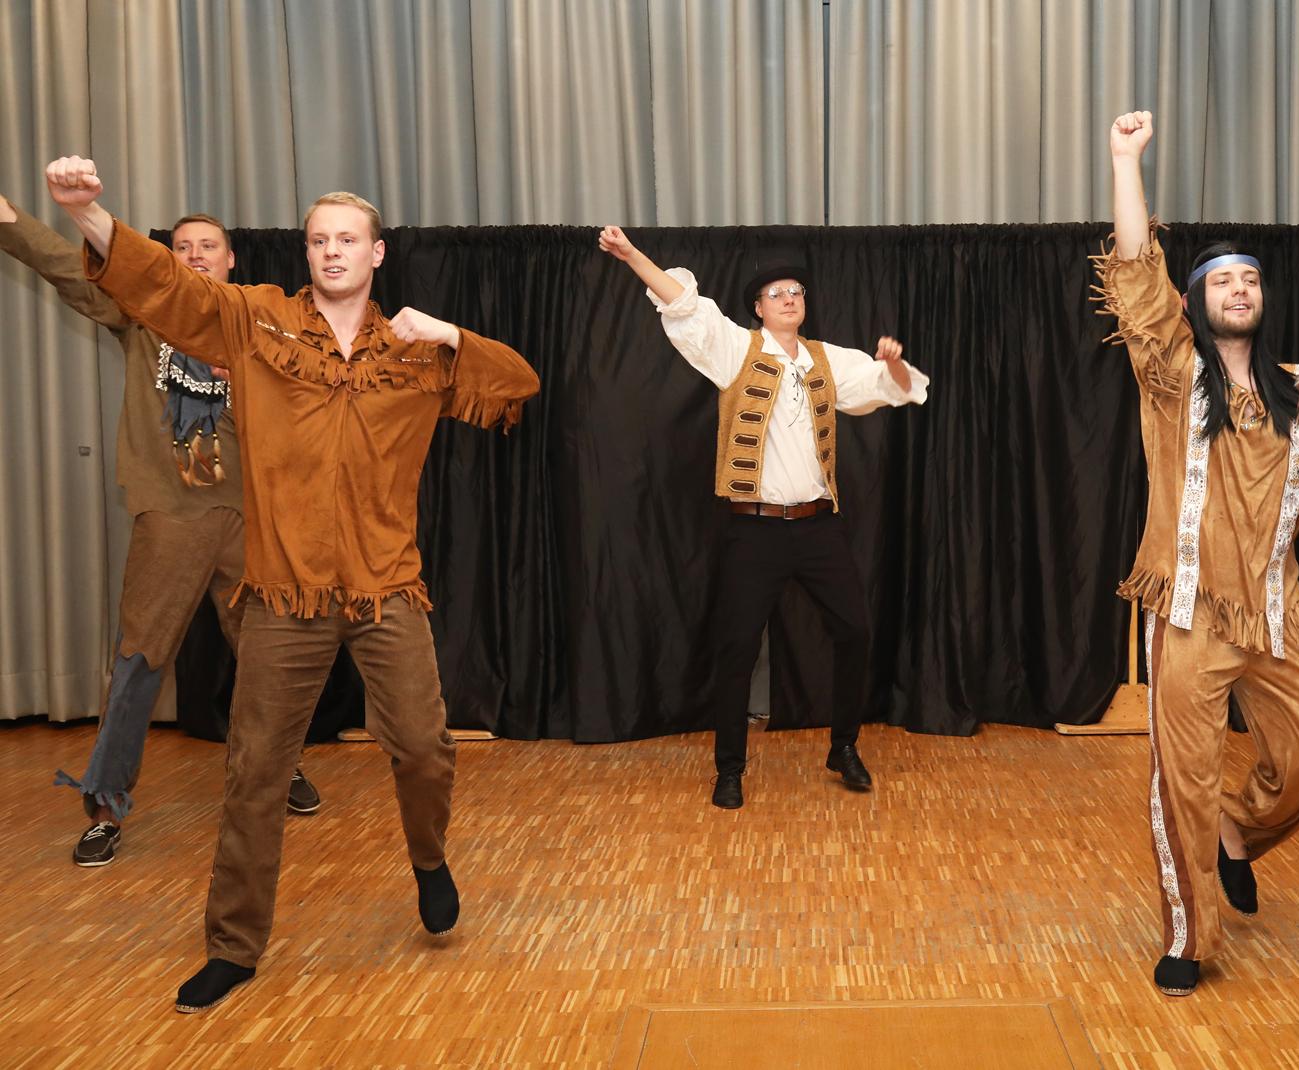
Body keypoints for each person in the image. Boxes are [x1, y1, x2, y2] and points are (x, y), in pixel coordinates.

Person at [46, 154, 540, 1013]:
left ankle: (429, 859)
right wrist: (89, 213)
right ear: (306, 251)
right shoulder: (256, 324)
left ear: (376, 253)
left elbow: (518, 384)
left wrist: (454, 337)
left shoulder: (414, 351)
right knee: (254, 772)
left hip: (386, 589)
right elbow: (166, 287)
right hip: (283, 593)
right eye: (318, 240)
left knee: (424, 749)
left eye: (347, 239)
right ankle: (232, 947)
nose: (332, 251)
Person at [1098, 112, 1299, 996]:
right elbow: (1135, 271)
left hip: (1276, 612)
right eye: (1221, 280)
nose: (1238, 289)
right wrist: (1124, 160)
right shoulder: (1173, 377)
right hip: (1190, 612)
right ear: (1196, 302)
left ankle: (1240, 832)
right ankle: (1191, 937)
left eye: (1249, 279)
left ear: (1263, 300)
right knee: (1183, 780)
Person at [1, 194, 322, 868]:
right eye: (182, 247)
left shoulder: (260, 322)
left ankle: (277, 765)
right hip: (173, 515)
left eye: (208, 246)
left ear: (232, 260)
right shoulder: (142, 312)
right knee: (139, 661)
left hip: (253, 518)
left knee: (269, 656)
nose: (195, 255)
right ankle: (105, 805)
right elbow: (69, 268)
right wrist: (10, 221)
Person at [598, 224, 929, 810]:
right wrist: (630, 256)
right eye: (776, 293)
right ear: (758, 307)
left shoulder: (828, 360)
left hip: (818, 525)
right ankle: (729, 768)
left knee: (854, 631)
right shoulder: (735, 349)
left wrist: (895, 364)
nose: (789, 298)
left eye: (796, 291)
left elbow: (891, 389)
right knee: (736, 647)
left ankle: (843, 747)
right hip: (753, 529)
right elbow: (684, 305)